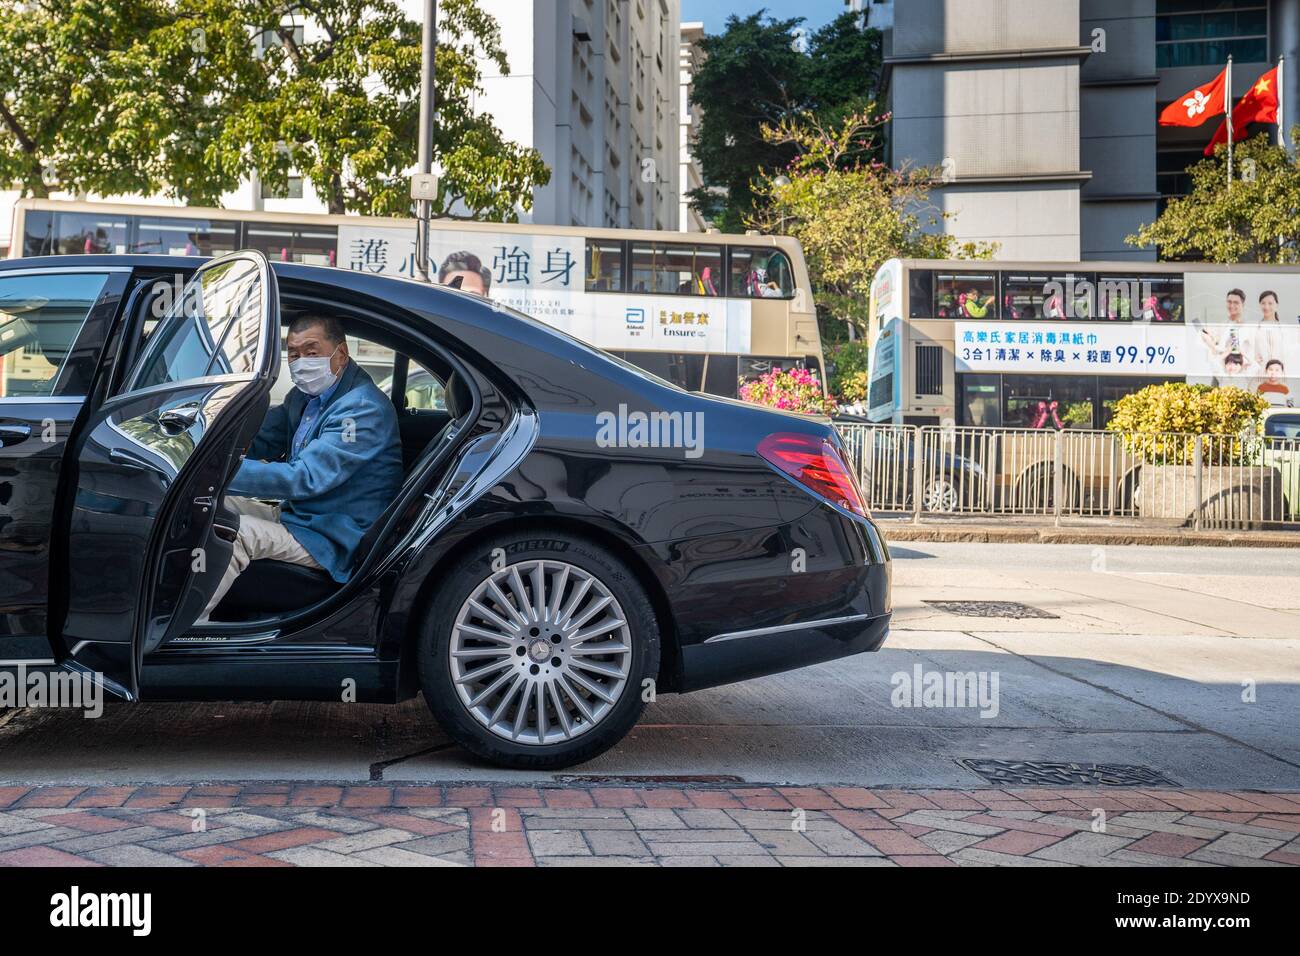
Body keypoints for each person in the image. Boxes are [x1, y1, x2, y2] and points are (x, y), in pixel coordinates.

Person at [198, 314, 404, 621]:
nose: (301, 361)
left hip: (333, 536)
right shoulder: (306, 397)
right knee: (204, 504)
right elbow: (260, 438)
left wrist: (216, 473)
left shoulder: (360, 410)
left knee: (230, 530)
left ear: (341, 354)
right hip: (302, 517)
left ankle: (186, 633)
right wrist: (205, 450)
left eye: (311, 352)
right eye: (293, 353)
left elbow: (304, 478)